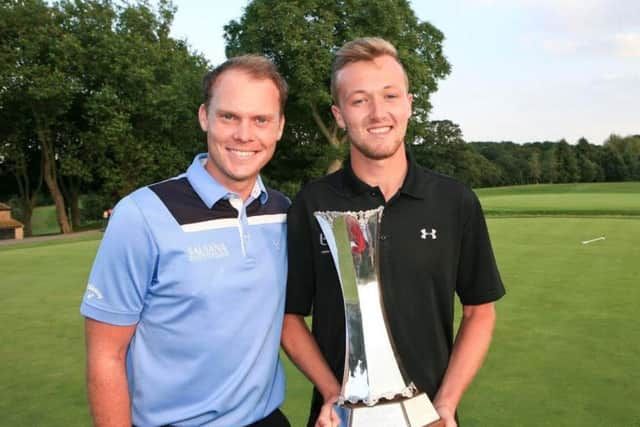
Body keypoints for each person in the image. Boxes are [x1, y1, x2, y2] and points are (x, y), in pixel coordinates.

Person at [281, 37, 505, 427]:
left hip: (431, 419)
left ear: (409, 104)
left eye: (389, 95)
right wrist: (332, 392)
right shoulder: (311, 204)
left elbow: (479, 312)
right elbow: (288, 316)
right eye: (359, 100)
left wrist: (447, 403)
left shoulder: (455, 201)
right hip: (339, 419)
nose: (377, 112)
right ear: (338, 114)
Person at [81, 55, 291, 427]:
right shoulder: (141, 214)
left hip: (267, 420)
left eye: (261, 119)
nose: (245, 134)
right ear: (204, 117)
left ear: (279, 127)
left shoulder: (284, 212)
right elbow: (105, 355)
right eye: (229, 116)